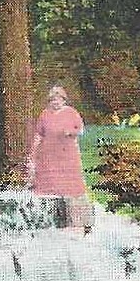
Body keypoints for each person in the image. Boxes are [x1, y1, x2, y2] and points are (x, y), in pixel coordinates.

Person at [29, 85, 90, 230]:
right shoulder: (44, 114)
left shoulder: (71, 112)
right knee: (48, 187)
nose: (55, 102)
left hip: (67, 155)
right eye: (52, 100)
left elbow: (80, 130)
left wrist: (70, 132)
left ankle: (78, 222)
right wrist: (32, 152)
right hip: (49, 156)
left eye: (58, 99)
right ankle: (50, 222)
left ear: (64, 100)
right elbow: (39, 134)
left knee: (70, 187)